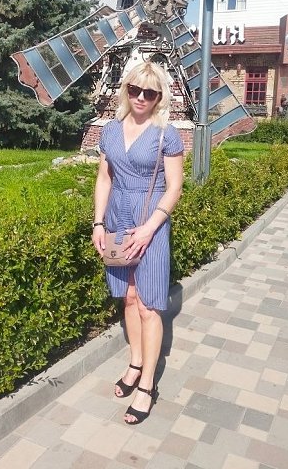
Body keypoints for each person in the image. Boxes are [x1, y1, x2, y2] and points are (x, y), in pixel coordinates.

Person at [92, 61, 184, 425]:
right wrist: (98, 222)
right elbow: (104, 178)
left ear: (159, 97)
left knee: (149, 304)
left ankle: (147, 385)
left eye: (149, 92)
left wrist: (149, 229)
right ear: (126, 90)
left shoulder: (166, 135)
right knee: (128, 297)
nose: (141, 97)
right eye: (135, 89)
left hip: (152, 223)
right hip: (117, 218)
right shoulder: (111, 131)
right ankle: (135, 362)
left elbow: (174, 188)